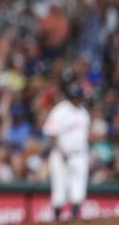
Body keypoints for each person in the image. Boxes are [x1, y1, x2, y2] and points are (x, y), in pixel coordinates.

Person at [43, 82, 90, 221]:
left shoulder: (83, 113)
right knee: (60, 187)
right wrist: (60, 151)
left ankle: (74, 217)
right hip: (61, 155)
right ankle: (57, 218)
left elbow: (85, 135)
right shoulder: (60, 110)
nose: (78, 99)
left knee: (79, 186)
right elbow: (51, 133)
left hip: (80, 154)